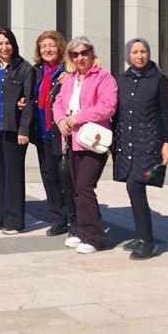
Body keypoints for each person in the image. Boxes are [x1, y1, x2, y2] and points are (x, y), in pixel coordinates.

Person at [52, 37, 117, 255]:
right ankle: (82, 230)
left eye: (84, 52)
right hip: (72, 140)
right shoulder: (70, 79)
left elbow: (107, 107)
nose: (80, 57)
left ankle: (94, 237)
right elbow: (58, 103)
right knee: (74, 187)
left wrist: (77, 118)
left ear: (91, 53)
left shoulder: (104, 77)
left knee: (84, 186)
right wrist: (61, 120)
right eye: (75, 54)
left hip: (93, 141)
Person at [113, 38, 168, 260]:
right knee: (133, 188)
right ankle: (141, 235)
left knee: (135, 184)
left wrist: (167, 143)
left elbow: (167, 114)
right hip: (127, 142)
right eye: (135, 52)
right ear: (128, 55)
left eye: (143, 51)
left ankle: (148, 241)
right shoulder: (122, 80)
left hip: (150, 143)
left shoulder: (159, 81)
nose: (139, 56)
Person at [0, 28, 34, 234]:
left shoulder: (24, 69)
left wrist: (24, 130)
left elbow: (29, 102)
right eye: (0, 43)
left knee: (13, 175)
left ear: (13, 44)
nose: (4, 47)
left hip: (13, 129)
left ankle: (14, 221)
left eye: (7, 43)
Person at [31, 30, 75, 237]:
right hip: (41, 132)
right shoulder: (37, 71)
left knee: (65, 176)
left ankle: (73, 218)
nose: (47, 49)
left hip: (61, 133)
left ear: (59, 47)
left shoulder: (68, 70)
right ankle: (58, 218)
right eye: (43, 46)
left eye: (51, 45)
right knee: (49, 176)